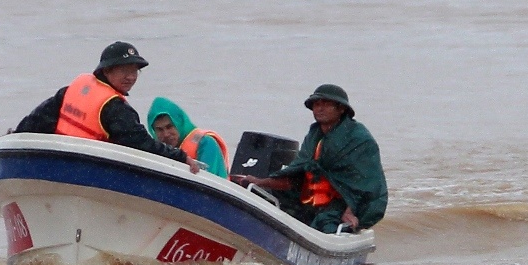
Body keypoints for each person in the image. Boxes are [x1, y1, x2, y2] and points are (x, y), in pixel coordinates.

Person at [236, 83, 386, 234]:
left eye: (326, 104)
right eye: (316, 104)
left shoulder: (359, 139)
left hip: (337, 208)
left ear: (341, 109)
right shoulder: (314, 136)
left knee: (325, 224)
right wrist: (260, 182)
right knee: (264, 199)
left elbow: (363, 184)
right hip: (308, 203)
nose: (320, 109)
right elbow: (296, 176)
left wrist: (350, 211)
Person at [13, 40, 184, 160]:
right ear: (107, 71)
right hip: (86, 170)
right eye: (124, 70)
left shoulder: (70, 91)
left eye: (135, 71)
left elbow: (35, 121)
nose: (131, 77)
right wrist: (180, 157)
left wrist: (12, 138)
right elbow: (142, 145)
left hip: (58, 164)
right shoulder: (115, 108)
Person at [147, 97, 228, 176]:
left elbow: (207, 180)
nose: (166, 134)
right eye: (160, 130)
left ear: (180, 123)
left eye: (169, 127)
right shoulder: (155, 151)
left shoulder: (206, 143)